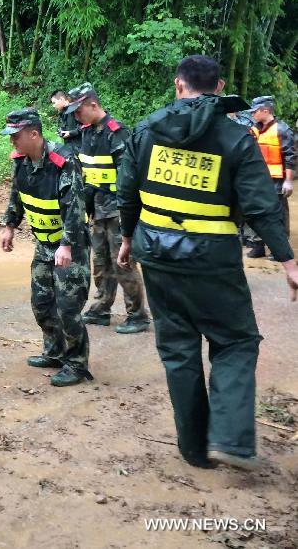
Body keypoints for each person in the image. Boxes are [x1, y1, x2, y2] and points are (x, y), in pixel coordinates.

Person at [116, 54, 298, 470]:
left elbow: (127, 193)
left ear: (178, 85)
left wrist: (127, 238)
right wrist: (288, 263)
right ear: (218, 89)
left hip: (156, 255)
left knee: (178, 350)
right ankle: (231, 440)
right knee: (235, 341)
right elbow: (260, 206)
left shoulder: (146, 130)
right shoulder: (235, 138)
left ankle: (195, 450)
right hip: (212, 259)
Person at [0, 109, 93, 387]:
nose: (12, 141)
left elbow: (75, 210)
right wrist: (9, 225)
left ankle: (76, 364)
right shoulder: (21, 162)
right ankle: (55, 352)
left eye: (16, 136)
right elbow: (17, 194)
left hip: (69, 247)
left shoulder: (63, 163)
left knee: (67, 307)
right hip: (43, 245)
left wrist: (66, 245)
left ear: (34, 134)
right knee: (41, 303)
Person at [66, 82, 150, 334]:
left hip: (117, 211)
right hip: (98, 211)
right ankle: (101, 307)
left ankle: (137, 315)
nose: (75, 116)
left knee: (122, 262)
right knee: (100, 262)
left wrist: (128, 218)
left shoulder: (117, 133)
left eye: (78, 111)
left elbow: (129, 180)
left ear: (93, 105)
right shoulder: (87, 132)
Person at [244, 96, 295, 258]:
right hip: (257, 179)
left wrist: (288, 181)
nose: (252, 114)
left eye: (255, 111)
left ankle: (278, 249)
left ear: (265, 110)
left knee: (277, 214)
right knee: (256, 211)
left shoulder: (282, 130)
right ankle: (258, 245)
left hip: (277, 181)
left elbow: (291, 157)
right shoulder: (254, 129)